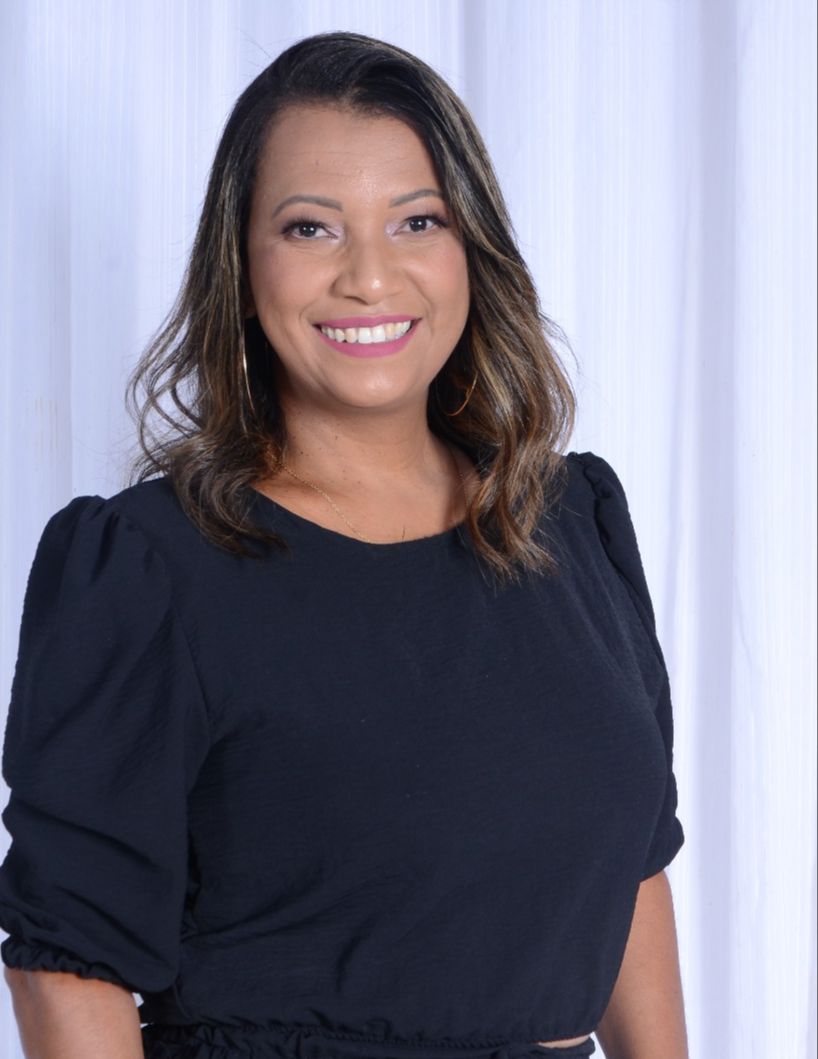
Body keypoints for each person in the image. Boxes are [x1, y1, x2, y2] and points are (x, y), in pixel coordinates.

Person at [0, 30, 687, 1059]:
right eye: (311, 227)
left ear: (471, 248)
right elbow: (67, 962)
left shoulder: (571, 525)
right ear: (242, 264)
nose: (370, 276)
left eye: (417, 220)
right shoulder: (149, 568)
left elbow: (631, 867)